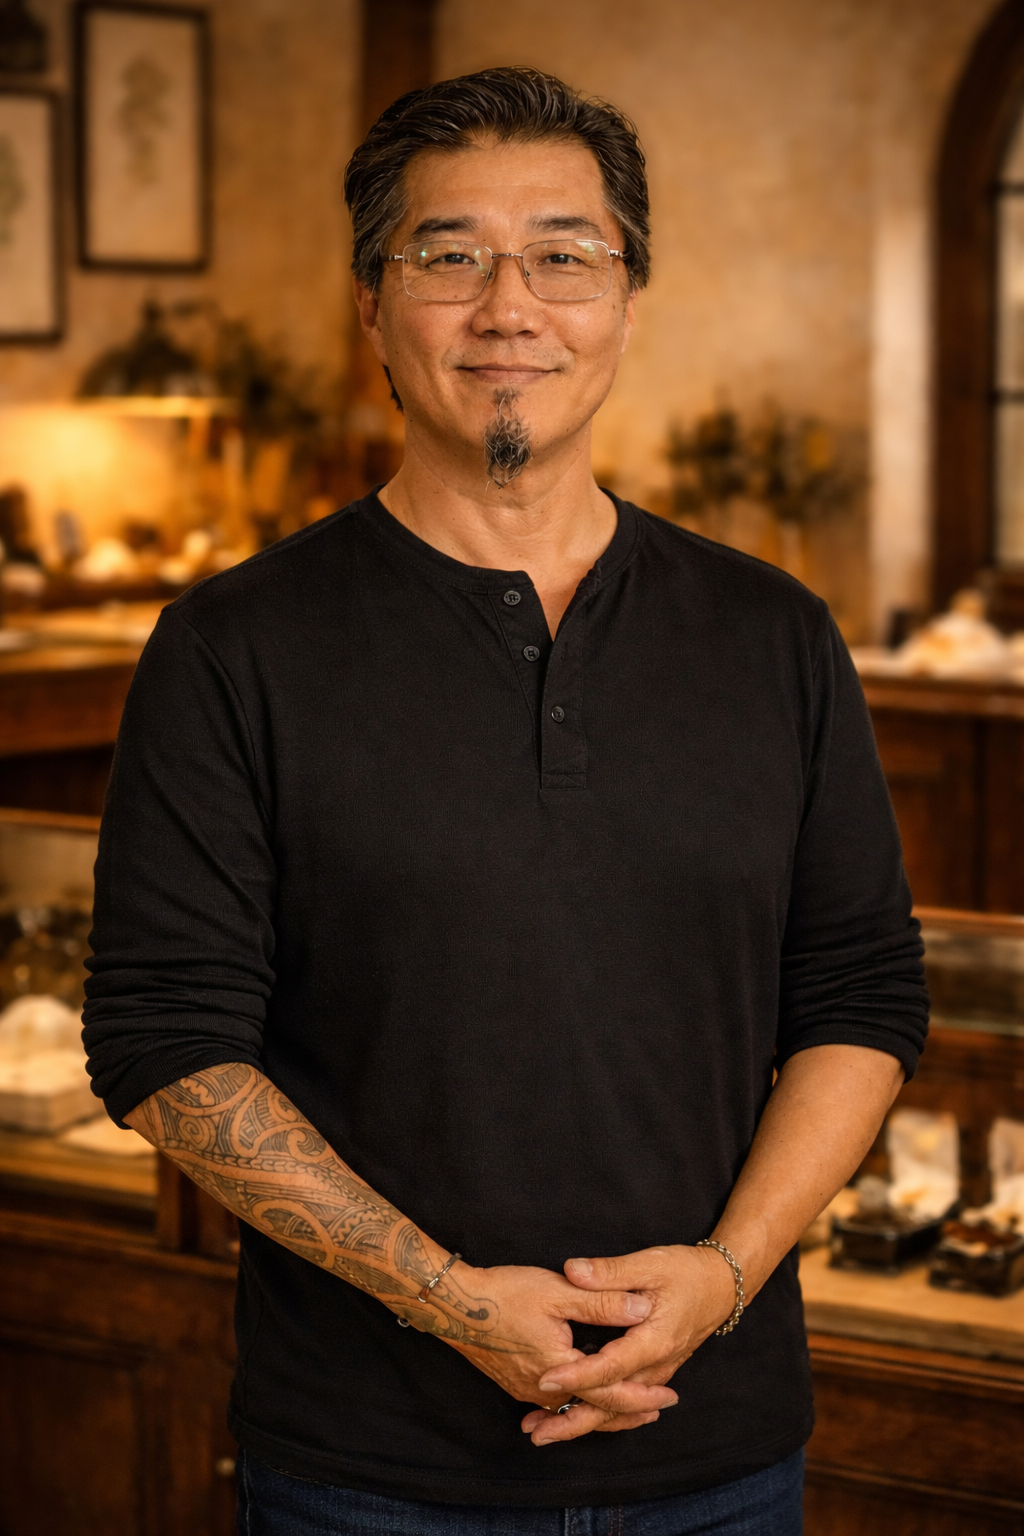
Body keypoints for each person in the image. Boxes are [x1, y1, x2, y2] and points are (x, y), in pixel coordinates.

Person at [83, 67, 928, 1536]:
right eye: (450, 256)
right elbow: (164, 1040)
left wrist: (725, 1276)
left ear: (628, 300)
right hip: (369, 1472)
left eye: (564, 255)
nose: (509, 308)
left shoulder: (777, 634)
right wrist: (446, 1299)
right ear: (371, 307)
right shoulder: (231, 647)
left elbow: (860, 992)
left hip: (721, 1452)